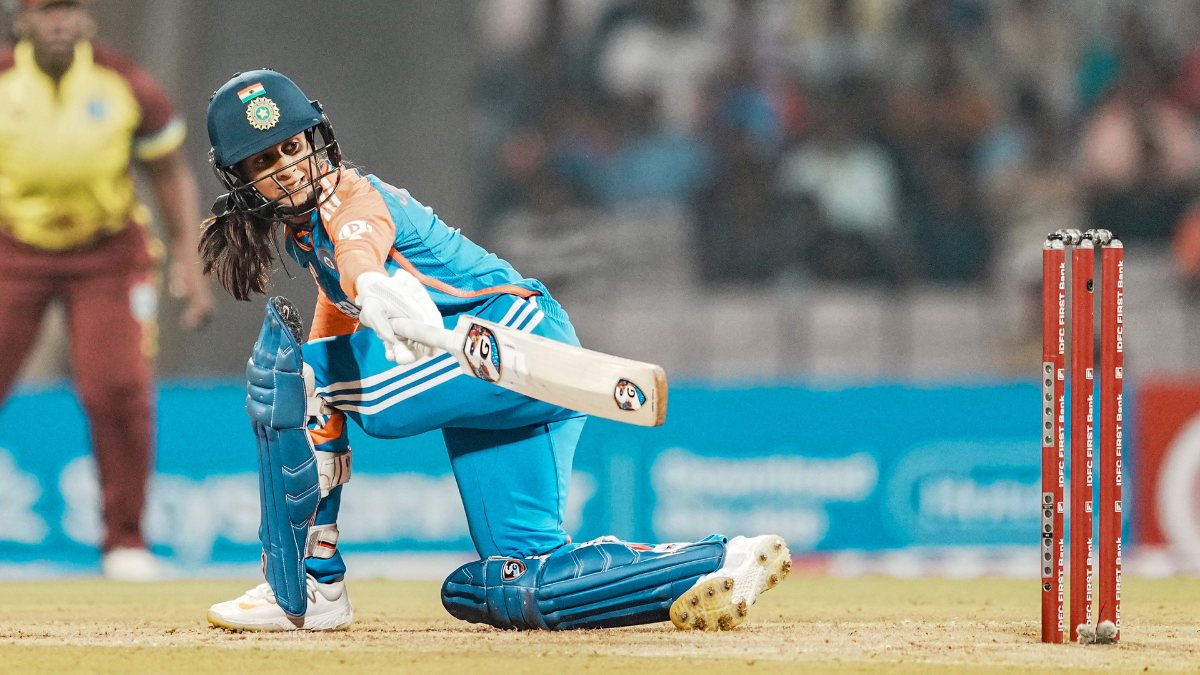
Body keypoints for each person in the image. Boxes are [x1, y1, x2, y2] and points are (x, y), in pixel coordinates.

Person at [199, 69, 790, 632]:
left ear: (316, 139)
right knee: (516, 584)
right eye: (264, 161)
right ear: (240, 180)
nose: (288, 168)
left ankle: (309, 586)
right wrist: (353, 316)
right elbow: (337, 307)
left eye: (292, 146)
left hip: (511, 338)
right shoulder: (305, 234)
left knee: (294, 379)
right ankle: (716, 561)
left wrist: (368, 286)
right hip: (490, 374)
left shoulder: (350, 198)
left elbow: (359, 245)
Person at [0, 0, 214, 580]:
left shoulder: (123, 83)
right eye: (48, 11)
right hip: (13, 249)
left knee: (118, 388)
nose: (61, 21)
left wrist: (188, 257)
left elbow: (168, 171)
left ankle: (125, 541)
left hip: (107, 253)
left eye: (71, 9)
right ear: (22, 20)